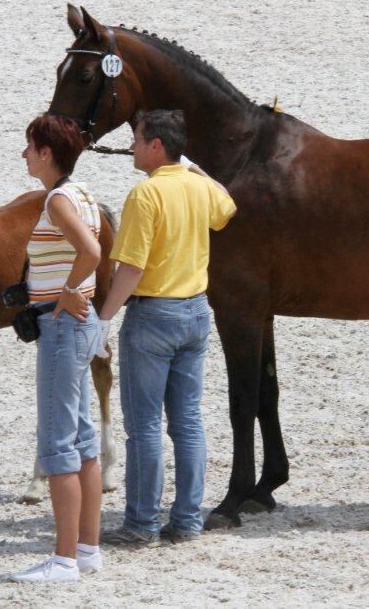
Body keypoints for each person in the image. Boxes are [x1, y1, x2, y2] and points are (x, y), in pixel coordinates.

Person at [97, 109, 236, 545]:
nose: (133, 148)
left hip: (153, 315)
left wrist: (103, 320)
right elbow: (227, 207)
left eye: (138, 140)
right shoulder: (197, 186)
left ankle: (140, 524)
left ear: (156, 145)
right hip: (195, 311)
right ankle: (188, 520)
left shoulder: (145, 195)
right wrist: (197, 170)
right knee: (188, 422)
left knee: (144, 427)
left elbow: (132, 267)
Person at [9, 114, 105, 583]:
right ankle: (87, 548)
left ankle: (64, 558)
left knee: (58, 442)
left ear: (46, 153)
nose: (25, 155)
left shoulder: (58, 199)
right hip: (78, 325)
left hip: (62, 324)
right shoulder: (83, 194)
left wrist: (68, 288)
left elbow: (90, 252)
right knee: (84, 440)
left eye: (30, 147)